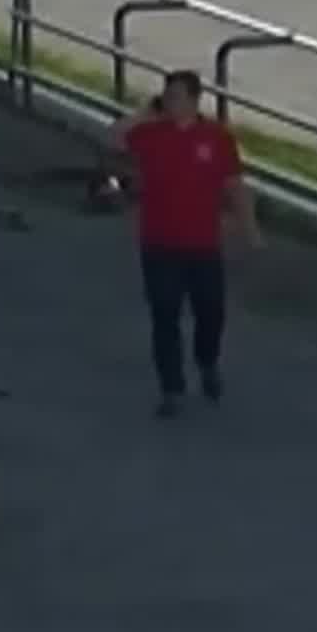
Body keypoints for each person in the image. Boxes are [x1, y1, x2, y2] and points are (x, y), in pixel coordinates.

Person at [115, 68, 256, 418]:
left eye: (179, 96)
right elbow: (115, 137)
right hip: (159, 241)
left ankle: (207, 361)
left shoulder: (217, 138)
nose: (173, 102)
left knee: (211, 311)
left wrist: (248, 227)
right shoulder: (151, 135)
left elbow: (234, 185)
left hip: (202, 243)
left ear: (195, 100)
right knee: (165, 314)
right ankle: (171, 388)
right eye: (169, 96)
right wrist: (146, 112)